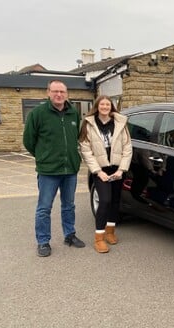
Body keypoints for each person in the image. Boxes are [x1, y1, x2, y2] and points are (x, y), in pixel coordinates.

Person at [23, 79, 85, 257]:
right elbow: (28, 141)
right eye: (55, 91)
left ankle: (70, 235)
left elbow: (76, 138)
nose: (59, 95)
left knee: (69, 206)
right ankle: (43, 241)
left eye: (62, 92)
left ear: (67, 94)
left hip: (70, 170)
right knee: (44, 208)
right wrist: (43, 157)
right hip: (48, 171)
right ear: (48, 92)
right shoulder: (38, 113)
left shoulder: (73, 113)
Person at [79, 95, 132, 253]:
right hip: (100, 169)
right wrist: (97, 171)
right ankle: (99, 238)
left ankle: (110, 232)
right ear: (97, 106)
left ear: (111, 107)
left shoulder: (120, 123)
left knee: (115, 201)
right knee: (105, 200)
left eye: (108, 105)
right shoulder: (88, 124)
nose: (105, 107)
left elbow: (127, 148)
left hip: (116, 168)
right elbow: (86, 150)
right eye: (102, 104)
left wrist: (121, 169)